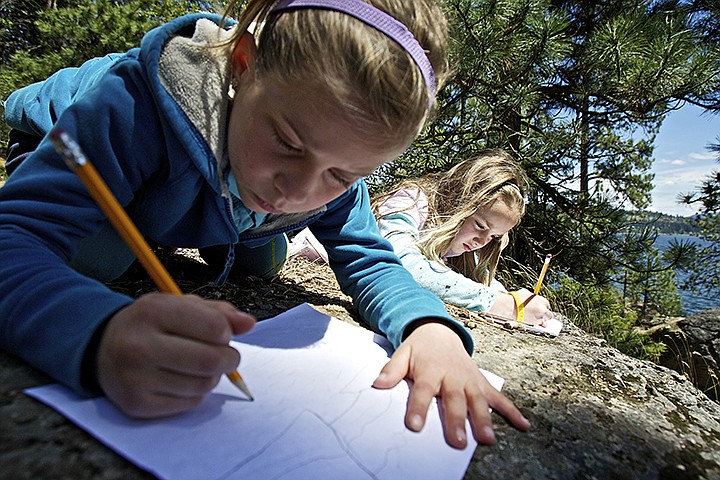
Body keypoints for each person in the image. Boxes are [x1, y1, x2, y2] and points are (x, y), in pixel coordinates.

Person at [0, 0, 530, 449]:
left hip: (207, 192)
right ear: (242, 63)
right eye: (288, 143)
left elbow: (371, 259)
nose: (298, 190)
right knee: (98, 257)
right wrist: (96, 333)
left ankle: (230, 217)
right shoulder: (131, 106)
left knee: (262, 262)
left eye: (343, 173)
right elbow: (12, 241)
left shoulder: (327, 181)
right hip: (69, 142)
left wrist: (429, 327)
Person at [370, 150, 554, 326]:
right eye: (480, 225)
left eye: (494, 236)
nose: (481, 242)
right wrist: (507, 307)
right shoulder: (409, 202)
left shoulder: (455, 246)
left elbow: (481, 280)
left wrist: (514, 299)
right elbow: (399, 262)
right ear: (459, 202)